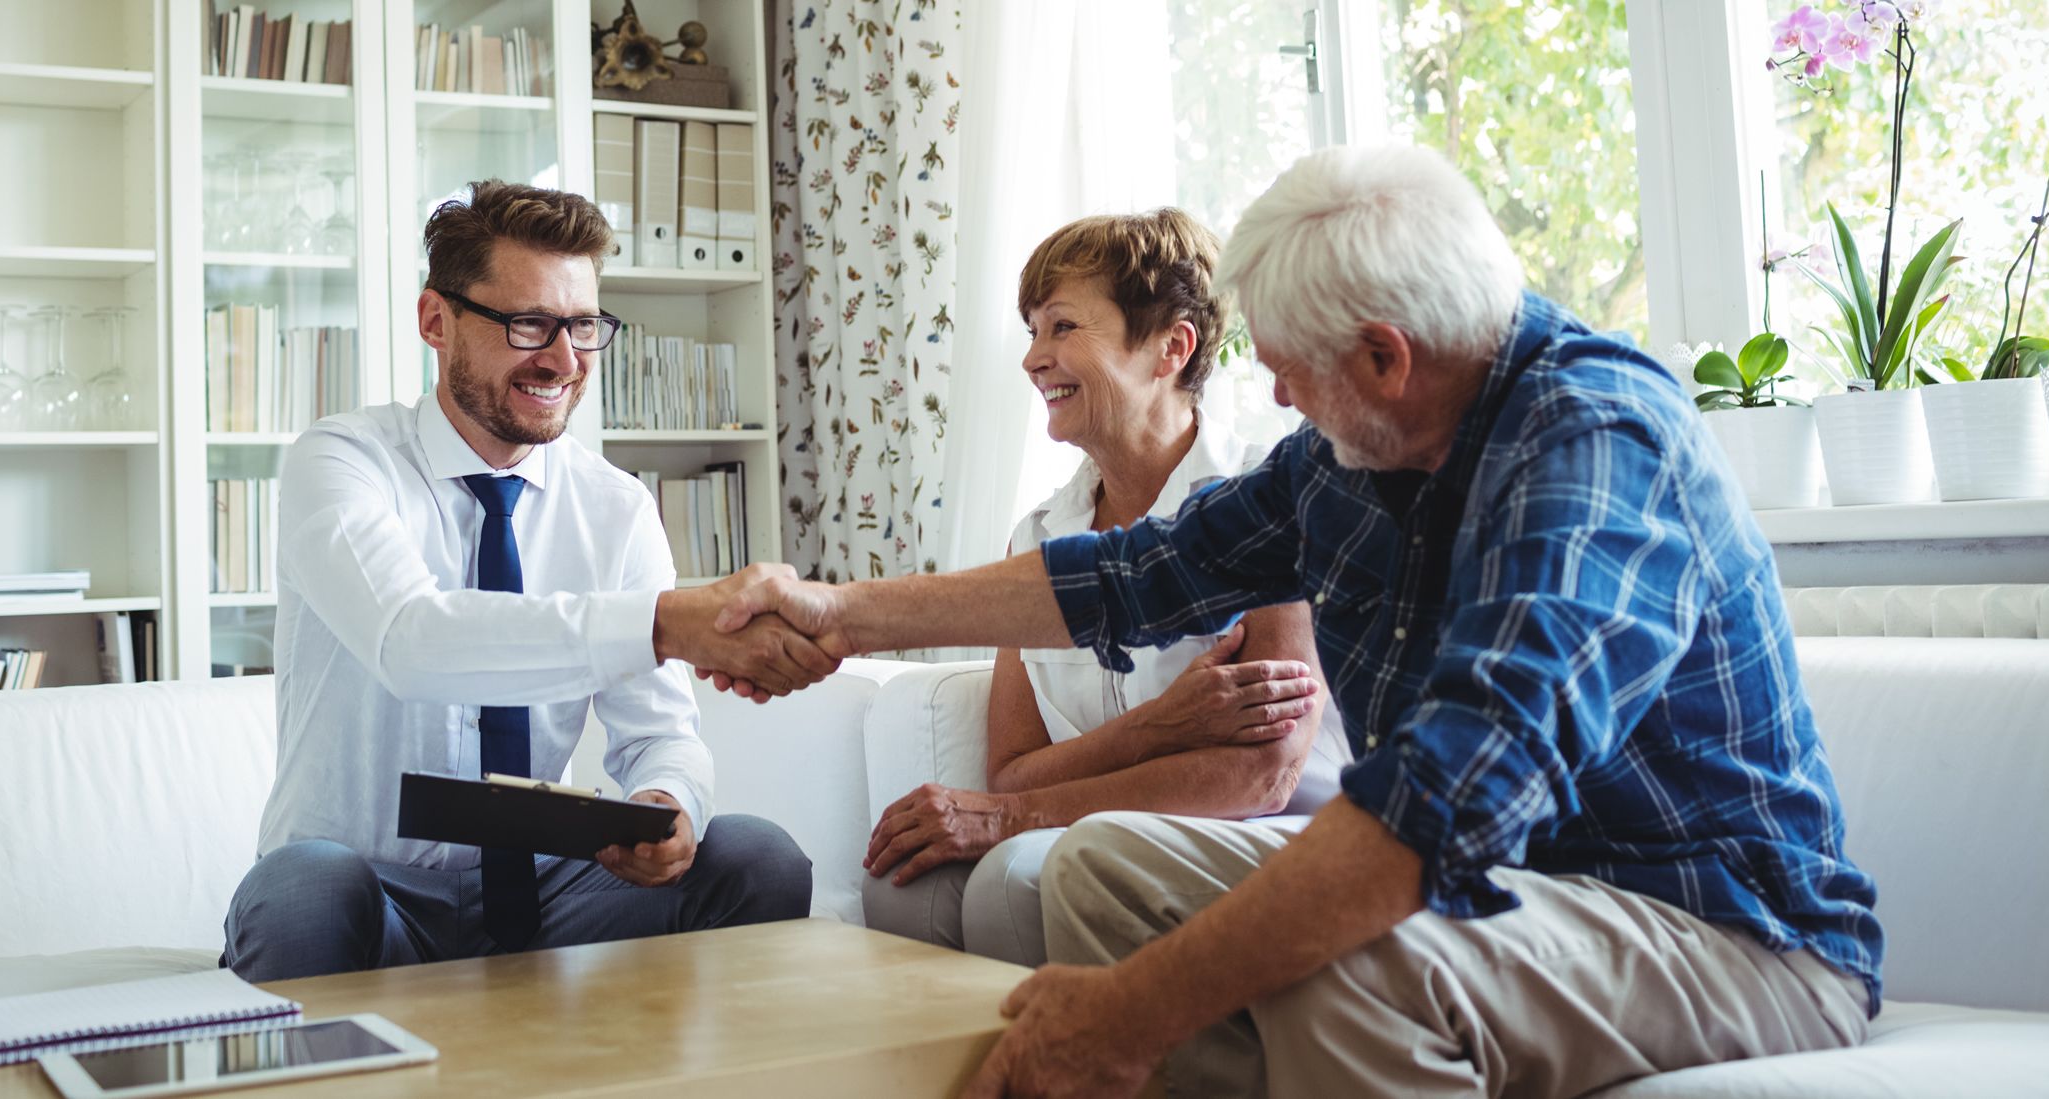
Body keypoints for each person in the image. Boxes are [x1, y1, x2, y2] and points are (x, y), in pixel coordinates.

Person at [706, 146, 1880, 1098]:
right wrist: (841, 613)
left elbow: (1447, 802)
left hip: (1724, 932)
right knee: (1106, 871)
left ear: (1385, 356)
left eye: (1289, 370)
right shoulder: (1346, 459)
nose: (1271, 397)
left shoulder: (1595, 445)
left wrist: (1129, 1014)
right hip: (1524, 906)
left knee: (1350, 964)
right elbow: (1128, 575)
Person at [223, 181, 833, 983]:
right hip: (371, 888)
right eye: (528, 324)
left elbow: (659, 732)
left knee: (756, 857)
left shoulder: (614, 507)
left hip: (552, 889)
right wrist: (663, 622)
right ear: (436, 321)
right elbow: (415, 641)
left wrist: (666, 800)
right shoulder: (342, 463)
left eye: (583, 326)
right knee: (301, 886)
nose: (564, 359)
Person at [862, 209, 1349, 968]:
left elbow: (1262, 772)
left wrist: (1015, 816)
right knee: (903, 886)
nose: (1033, 357)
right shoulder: (1038, 537)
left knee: (1012, 877)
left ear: (1171, 347)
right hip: (1096, 821)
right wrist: (1156, 729)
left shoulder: (1265, 500)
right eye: (1031, 330)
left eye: (1061, 327)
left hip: (1262, 822)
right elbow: (1012, 768)